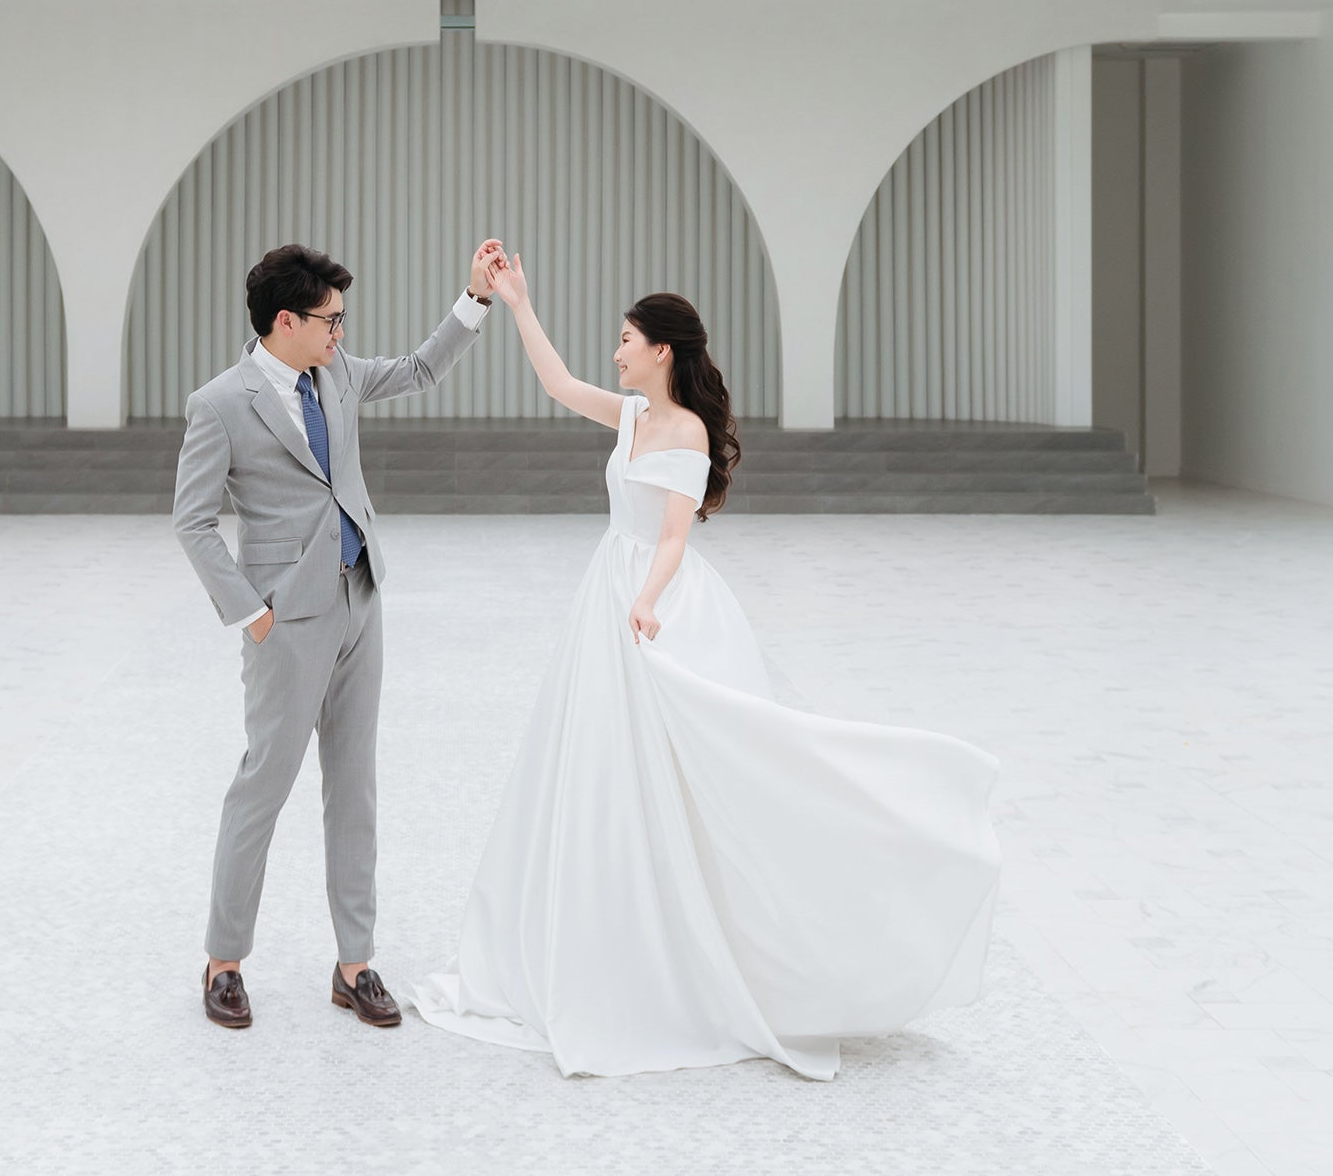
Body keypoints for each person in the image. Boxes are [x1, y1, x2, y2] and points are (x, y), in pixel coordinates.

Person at [409, 253, 1002, 1079]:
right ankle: (614, 927)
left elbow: (676, 535)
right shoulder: (628, 417)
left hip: (654, 598)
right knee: (603, 766)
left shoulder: (684, 430)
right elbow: (556, 384)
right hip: (609, 588)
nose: (615, 352)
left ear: (660, 351)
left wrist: (648, 598)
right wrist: (516, 304)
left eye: (625, 340)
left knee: (692, 761)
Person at [173, 240, 506, 1029]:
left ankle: (354, 963)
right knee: (263, 787)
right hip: (285, 624)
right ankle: (224, 962)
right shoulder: (220, 403)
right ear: (284, 321)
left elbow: (423, 368)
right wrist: (252, 612)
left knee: (353, 788)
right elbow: (191, 522)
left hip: (362, 603)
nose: (341, 334)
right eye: (330, 320)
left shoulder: (341, 375)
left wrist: (474, 299)